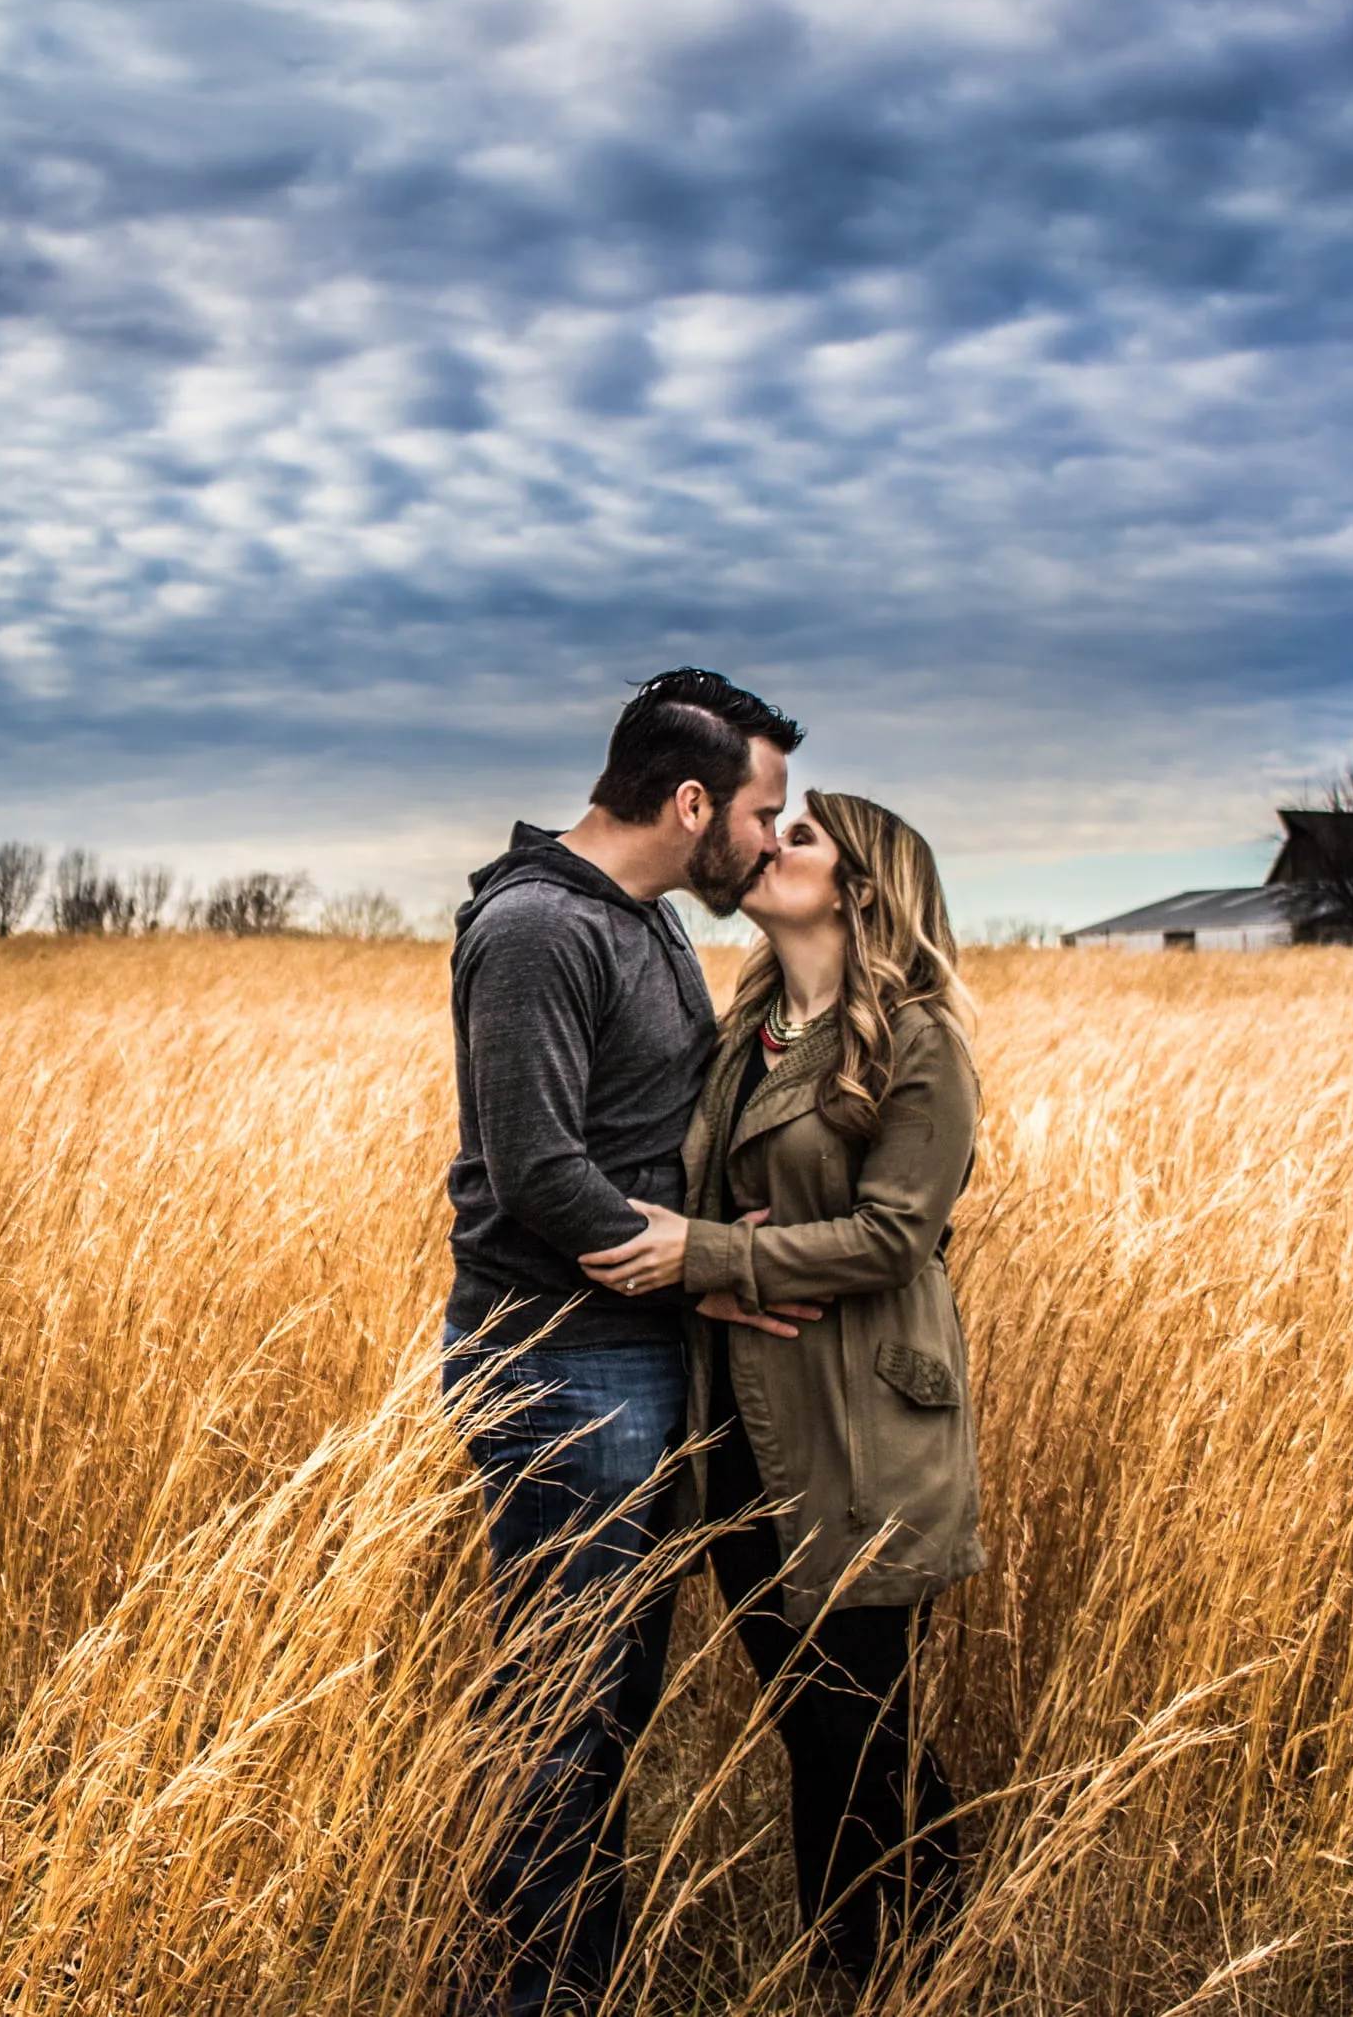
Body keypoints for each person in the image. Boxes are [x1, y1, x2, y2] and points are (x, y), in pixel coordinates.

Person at [441, 667, 816, 2017]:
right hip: (561, 1366)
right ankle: (513, 1997)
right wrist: (702, 1278)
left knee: (601, 1711)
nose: (771, 839)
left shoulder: (636, 919)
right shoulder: (544, 928)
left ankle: (565, 1987)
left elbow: (631, 1133)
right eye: (760, 811)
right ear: (688, 799)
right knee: (556, 1715)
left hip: (626, 1361)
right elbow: (537, 1168)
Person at [578, 791, 985, 1994]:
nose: (767, 843)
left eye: (799, 837)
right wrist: (707, 1261)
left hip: (861, 1424)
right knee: (815, 1715)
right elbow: (699, 1201)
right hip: (743, 1428)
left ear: (862, 887)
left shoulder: (918, 1037)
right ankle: (924, 1944)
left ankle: (871, 1969)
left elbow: (897, 1233)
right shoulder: (748, 1023)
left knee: (854, 1724)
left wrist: (709, 1256)